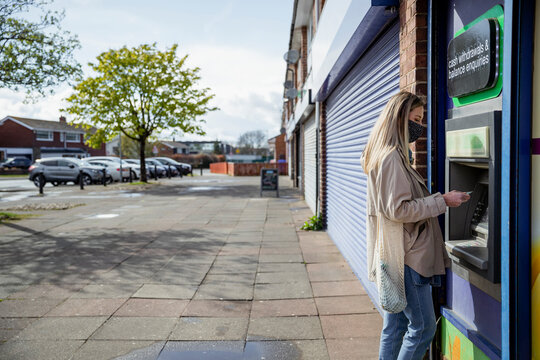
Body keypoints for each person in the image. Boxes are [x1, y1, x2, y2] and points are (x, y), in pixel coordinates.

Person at [361, 91, 470, 360]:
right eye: (417, 119)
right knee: (422, 330)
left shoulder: (389, 155)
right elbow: (398, 209)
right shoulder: (391, 158)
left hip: (398, 252)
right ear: (400, 118)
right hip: (407, 257)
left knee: (395, 327)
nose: (420, 126)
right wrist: (442, 200)